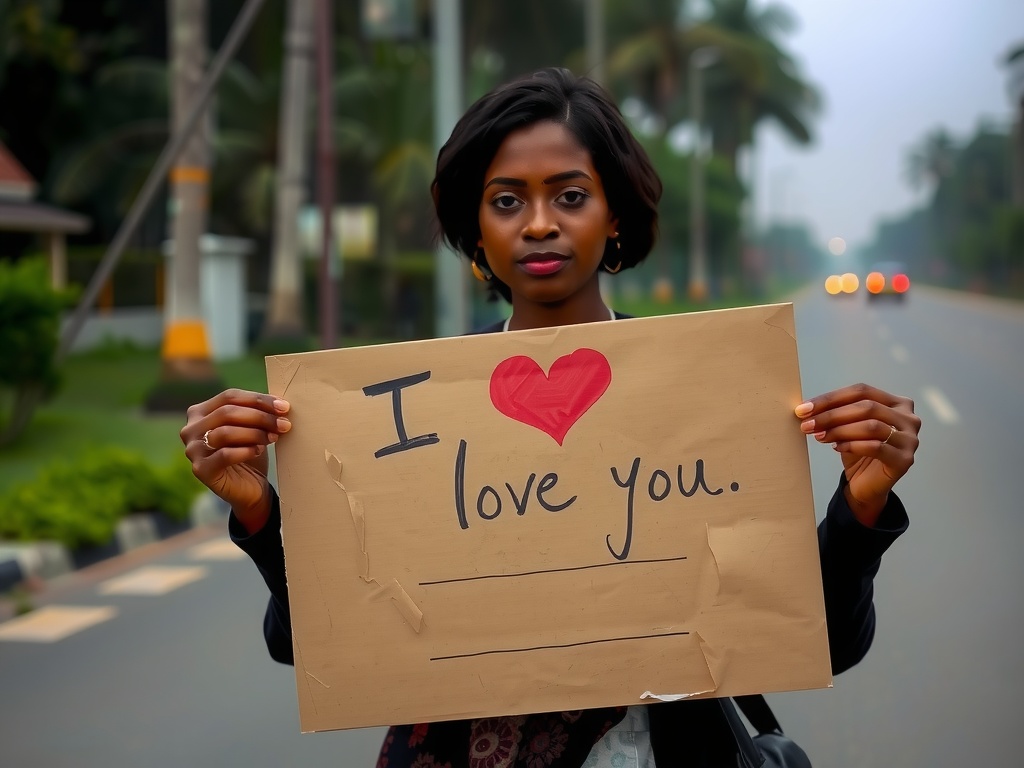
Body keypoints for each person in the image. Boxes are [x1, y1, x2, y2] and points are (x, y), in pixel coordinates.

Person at [181, 68, 920, 767]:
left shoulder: (707, 397)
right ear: (477, 228)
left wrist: (861, 505)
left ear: (617, 216)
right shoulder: (398, 418)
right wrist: (259, 512)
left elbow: (822, 641)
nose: (538, 224)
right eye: (507, 201)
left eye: (570, 196)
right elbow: (306, 642)